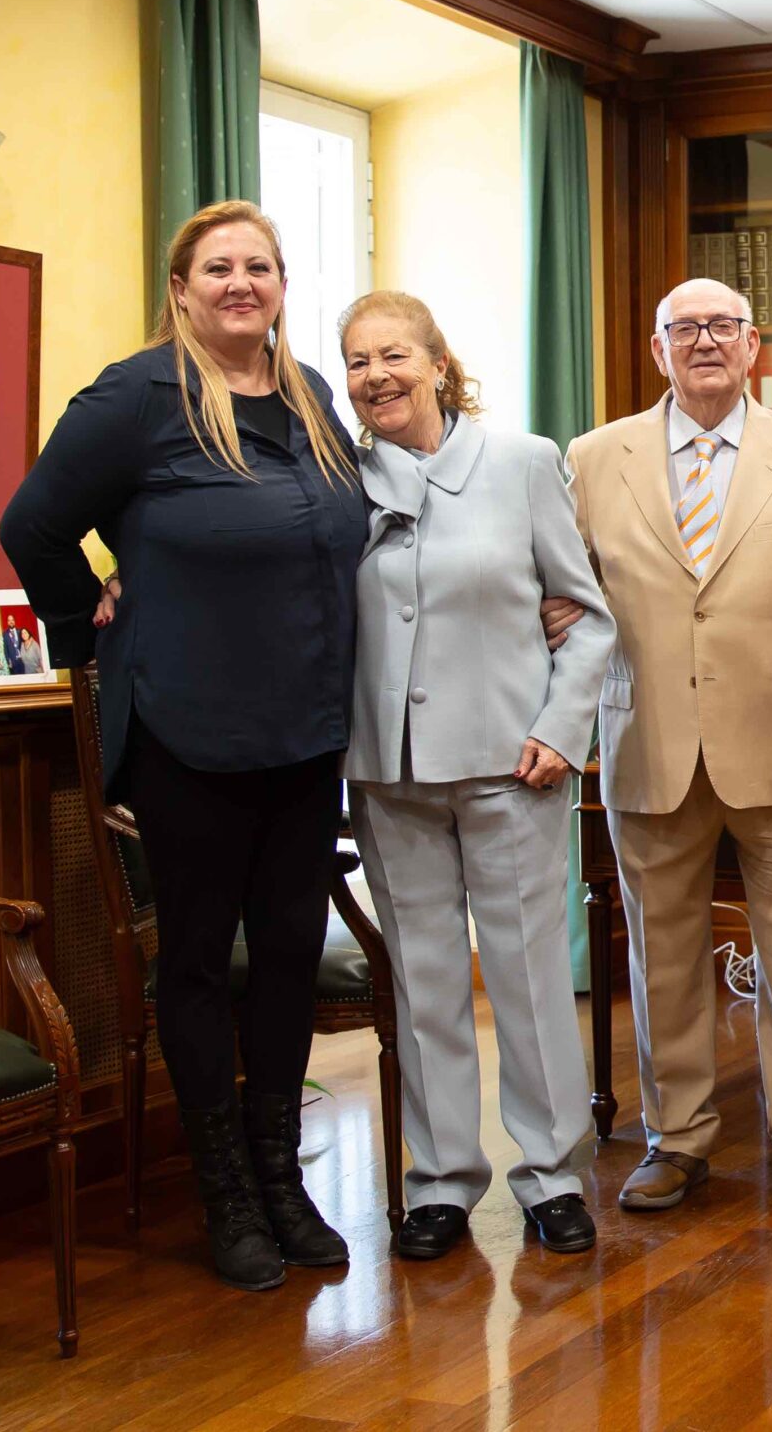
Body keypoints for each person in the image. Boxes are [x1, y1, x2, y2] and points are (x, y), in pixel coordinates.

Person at [0, 200, 367, 1292]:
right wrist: (88, 622)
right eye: (218, 267)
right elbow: (32, 525)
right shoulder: (135, 396)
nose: (240, 282)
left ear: (282, 284)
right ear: (181, 287)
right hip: (189, 734)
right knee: (200, 961)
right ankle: (226, 1193)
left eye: (260, 265)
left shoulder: (310, 398)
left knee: (288, 954)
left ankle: (281, 1177)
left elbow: (349, 537)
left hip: (307, 732)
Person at [567, 277, 772, 1214]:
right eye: (684, 329)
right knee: (661, 957)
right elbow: (567, 600)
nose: (704, 341)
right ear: (658, 350)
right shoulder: (594, 458)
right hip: (647, 742)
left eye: (723, 326)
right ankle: (676, 1139)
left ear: (753, 347)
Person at [337, 291, 616, 1262]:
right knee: (424, 986)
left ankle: (552, 1175)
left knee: (529, 981)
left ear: (439, 364)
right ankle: (441, 1182)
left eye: (395, 354)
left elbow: (586, 617)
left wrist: (561, 729)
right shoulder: (337, 480)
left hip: (513, 763)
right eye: (358, 360)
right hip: (390, 771)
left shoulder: (522, 462)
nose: (377, 375)